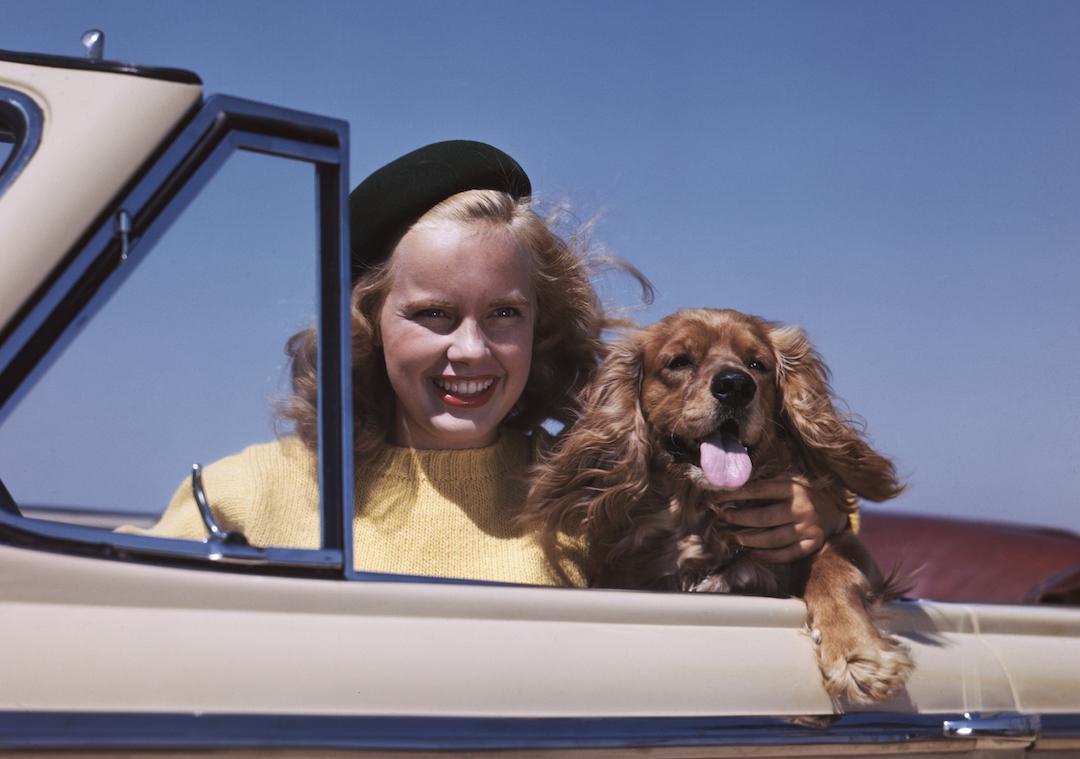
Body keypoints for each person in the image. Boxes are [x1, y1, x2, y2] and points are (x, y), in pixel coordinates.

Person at [125, 140, 847, 583]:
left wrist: (819, 516)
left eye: (504, 313)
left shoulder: (595, 500)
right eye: (432, 314)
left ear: (542, 326)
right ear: (368, 325)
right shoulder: (244, 495)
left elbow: (741, 541)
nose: (470, 349)